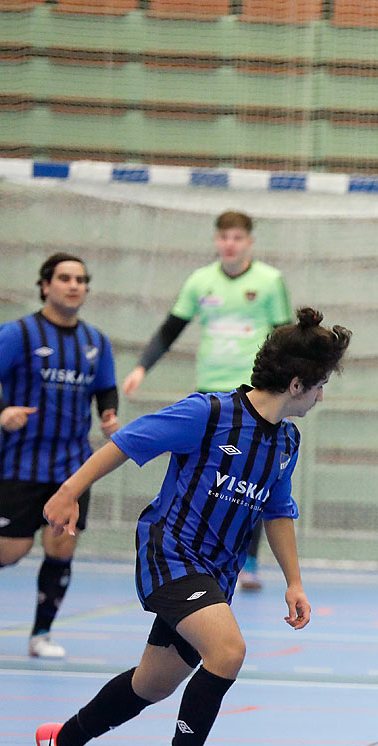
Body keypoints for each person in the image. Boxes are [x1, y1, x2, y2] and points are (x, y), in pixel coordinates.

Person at [33, 307, 351, 746]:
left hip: (216, 573)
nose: (321, 396)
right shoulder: (208, 414)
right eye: (319, 386)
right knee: (228, 649)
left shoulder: (286, 441)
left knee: (151, 685)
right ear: (296, 383)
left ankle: (62, 742)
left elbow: (277, 508)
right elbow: (125, 442)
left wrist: (294, 580)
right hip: (172, 551)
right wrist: (69, 491)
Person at [122, 209, 292, 591]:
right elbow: (171, 328)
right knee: (201, 476)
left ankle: (248, 560)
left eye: (236, 238)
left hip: (253, 394)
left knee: (250, 478)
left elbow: (285, 337)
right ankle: (183, 547)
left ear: (248, 242)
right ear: (216, 241)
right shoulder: (201, 281)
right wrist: (141, 368)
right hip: (210, 396)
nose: (229, 244)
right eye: (223, 237)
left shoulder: (269, 281)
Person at [0, 253, 119, 659]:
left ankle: (41, 635)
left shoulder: (95, 341)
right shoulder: (19, 333)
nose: (74, 285)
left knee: (61, 546)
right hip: (22, 461)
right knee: (11, 550)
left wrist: (108, 413)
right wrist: (3, 410)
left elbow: (105, 387)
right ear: (45, 285)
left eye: (81, 279)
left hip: (72, 466)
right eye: (65, 278)